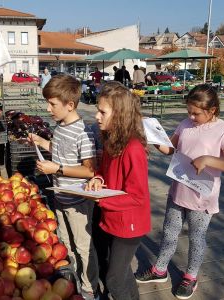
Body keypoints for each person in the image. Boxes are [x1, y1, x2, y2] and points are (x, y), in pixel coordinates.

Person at [136, 84, 224, 299]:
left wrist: (209, 159)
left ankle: (191, 276)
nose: (191, 117)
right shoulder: (185, 124)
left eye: (196, 113)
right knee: (169, 232)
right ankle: (160, 269)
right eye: (189, 112)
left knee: (196, 237)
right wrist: (154, 138)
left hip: (201, 196)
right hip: (179, 189)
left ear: (212, 110)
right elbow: (170, 149)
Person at [29, 74, 99, 300]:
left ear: (70, 105)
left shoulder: (84, 132)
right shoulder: (59, 128)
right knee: (66, 243)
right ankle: (75, 278)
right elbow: (60, 152)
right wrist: (42, 143)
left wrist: (56, 169)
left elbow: (89, 170)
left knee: (83, 246)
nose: (48, 109)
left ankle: (90, 287)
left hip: (77, 200)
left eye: (52, 104)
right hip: (59, 196)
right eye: (47, 103)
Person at [85, 81, 151, 300]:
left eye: (102, 111)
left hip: (130, 224)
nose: (96, 116)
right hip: (114, 219)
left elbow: (138, 196)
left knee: (114, 279)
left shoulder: (133, 149)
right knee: (120, 274)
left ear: (120, 114)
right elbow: (104, 172)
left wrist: (102, 200)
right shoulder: (111, 140)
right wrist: (97, 180)